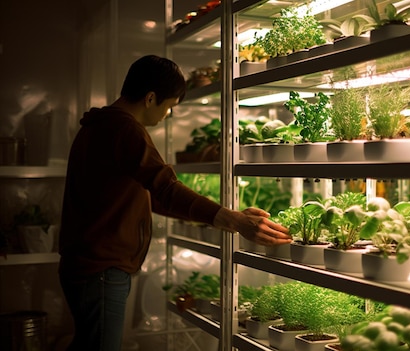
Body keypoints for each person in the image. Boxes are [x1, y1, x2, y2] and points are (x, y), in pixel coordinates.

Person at [57, 55, 292, 351]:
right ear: (150, 98)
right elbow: (165, 186)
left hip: (89, 264)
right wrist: (230, 219)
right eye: (169, 106)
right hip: (102, 268)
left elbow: (151, 194)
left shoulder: (98, 126)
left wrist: (223, 216)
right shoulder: (124, 129)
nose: (168, 114)